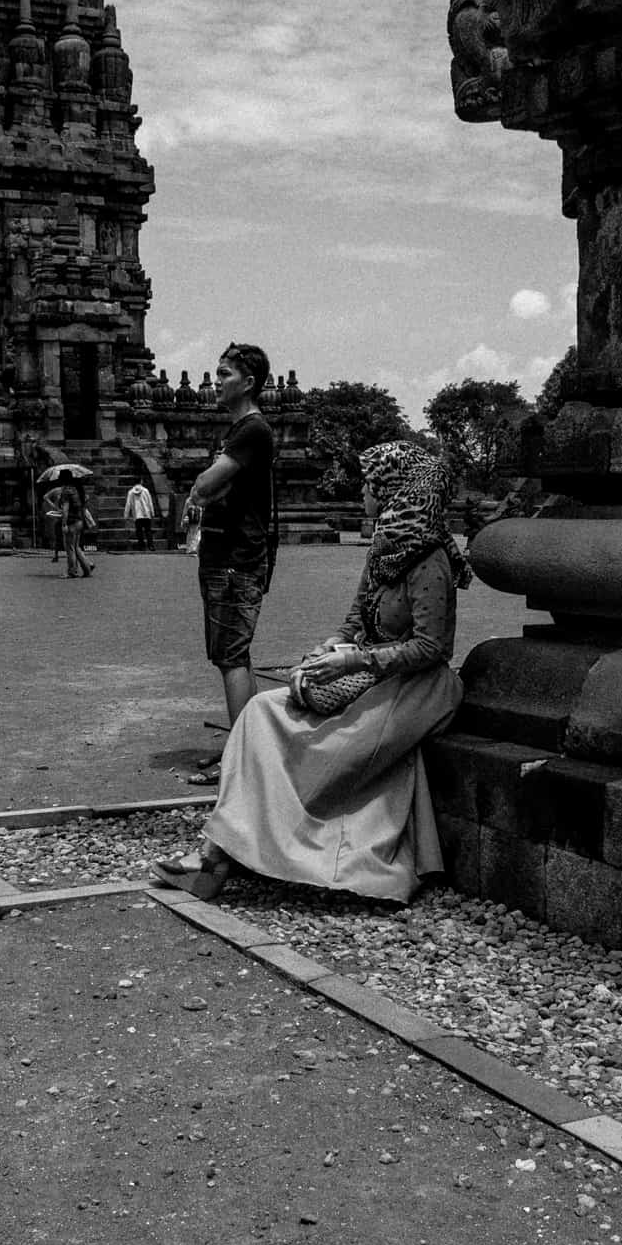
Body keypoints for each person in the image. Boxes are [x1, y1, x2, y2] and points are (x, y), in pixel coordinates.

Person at [154, 440, 472, 903]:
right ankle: (223, 847)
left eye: (371, 483)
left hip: (415, 687)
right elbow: (355, 619)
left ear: (394, 491)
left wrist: (355, 660)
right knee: (259, 713)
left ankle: (215, 858)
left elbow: (431, 646)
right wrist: (326, 650)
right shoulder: (385, 548)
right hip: (370, 674)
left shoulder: (429, 559)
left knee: (325, 750)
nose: (363, 490)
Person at [182, 342, 278, 783]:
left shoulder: (251, 431)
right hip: (225, 555)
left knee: (233, 656)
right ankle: (244, 750)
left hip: (237, 558)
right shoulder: (239, 432)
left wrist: (203, 489)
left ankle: (240, 761)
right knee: (229, 656)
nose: (216, 382)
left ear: (249, 382)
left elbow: (205, 485)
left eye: (224, 375)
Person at [55, 481, 96, 578]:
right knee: (76, 547)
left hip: (71, 522)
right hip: (79, 520)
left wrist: (64, 524)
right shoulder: (78, 489)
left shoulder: (66, 491)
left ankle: (72, 571)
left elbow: (66, 509)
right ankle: (87, 569)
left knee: (70, 547)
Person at [124, 478, 155, 551]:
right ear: (141, 481)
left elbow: (128, 504)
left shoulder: (131, 492)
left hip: (137, 515)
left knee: (139, 531)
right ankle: (151, 546)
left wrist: (126, 515)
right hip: (146, 514)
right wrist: (152, 512)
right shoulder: (145, 491)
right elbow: (150, 502)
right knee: (148, 530)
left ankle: (141, 546)